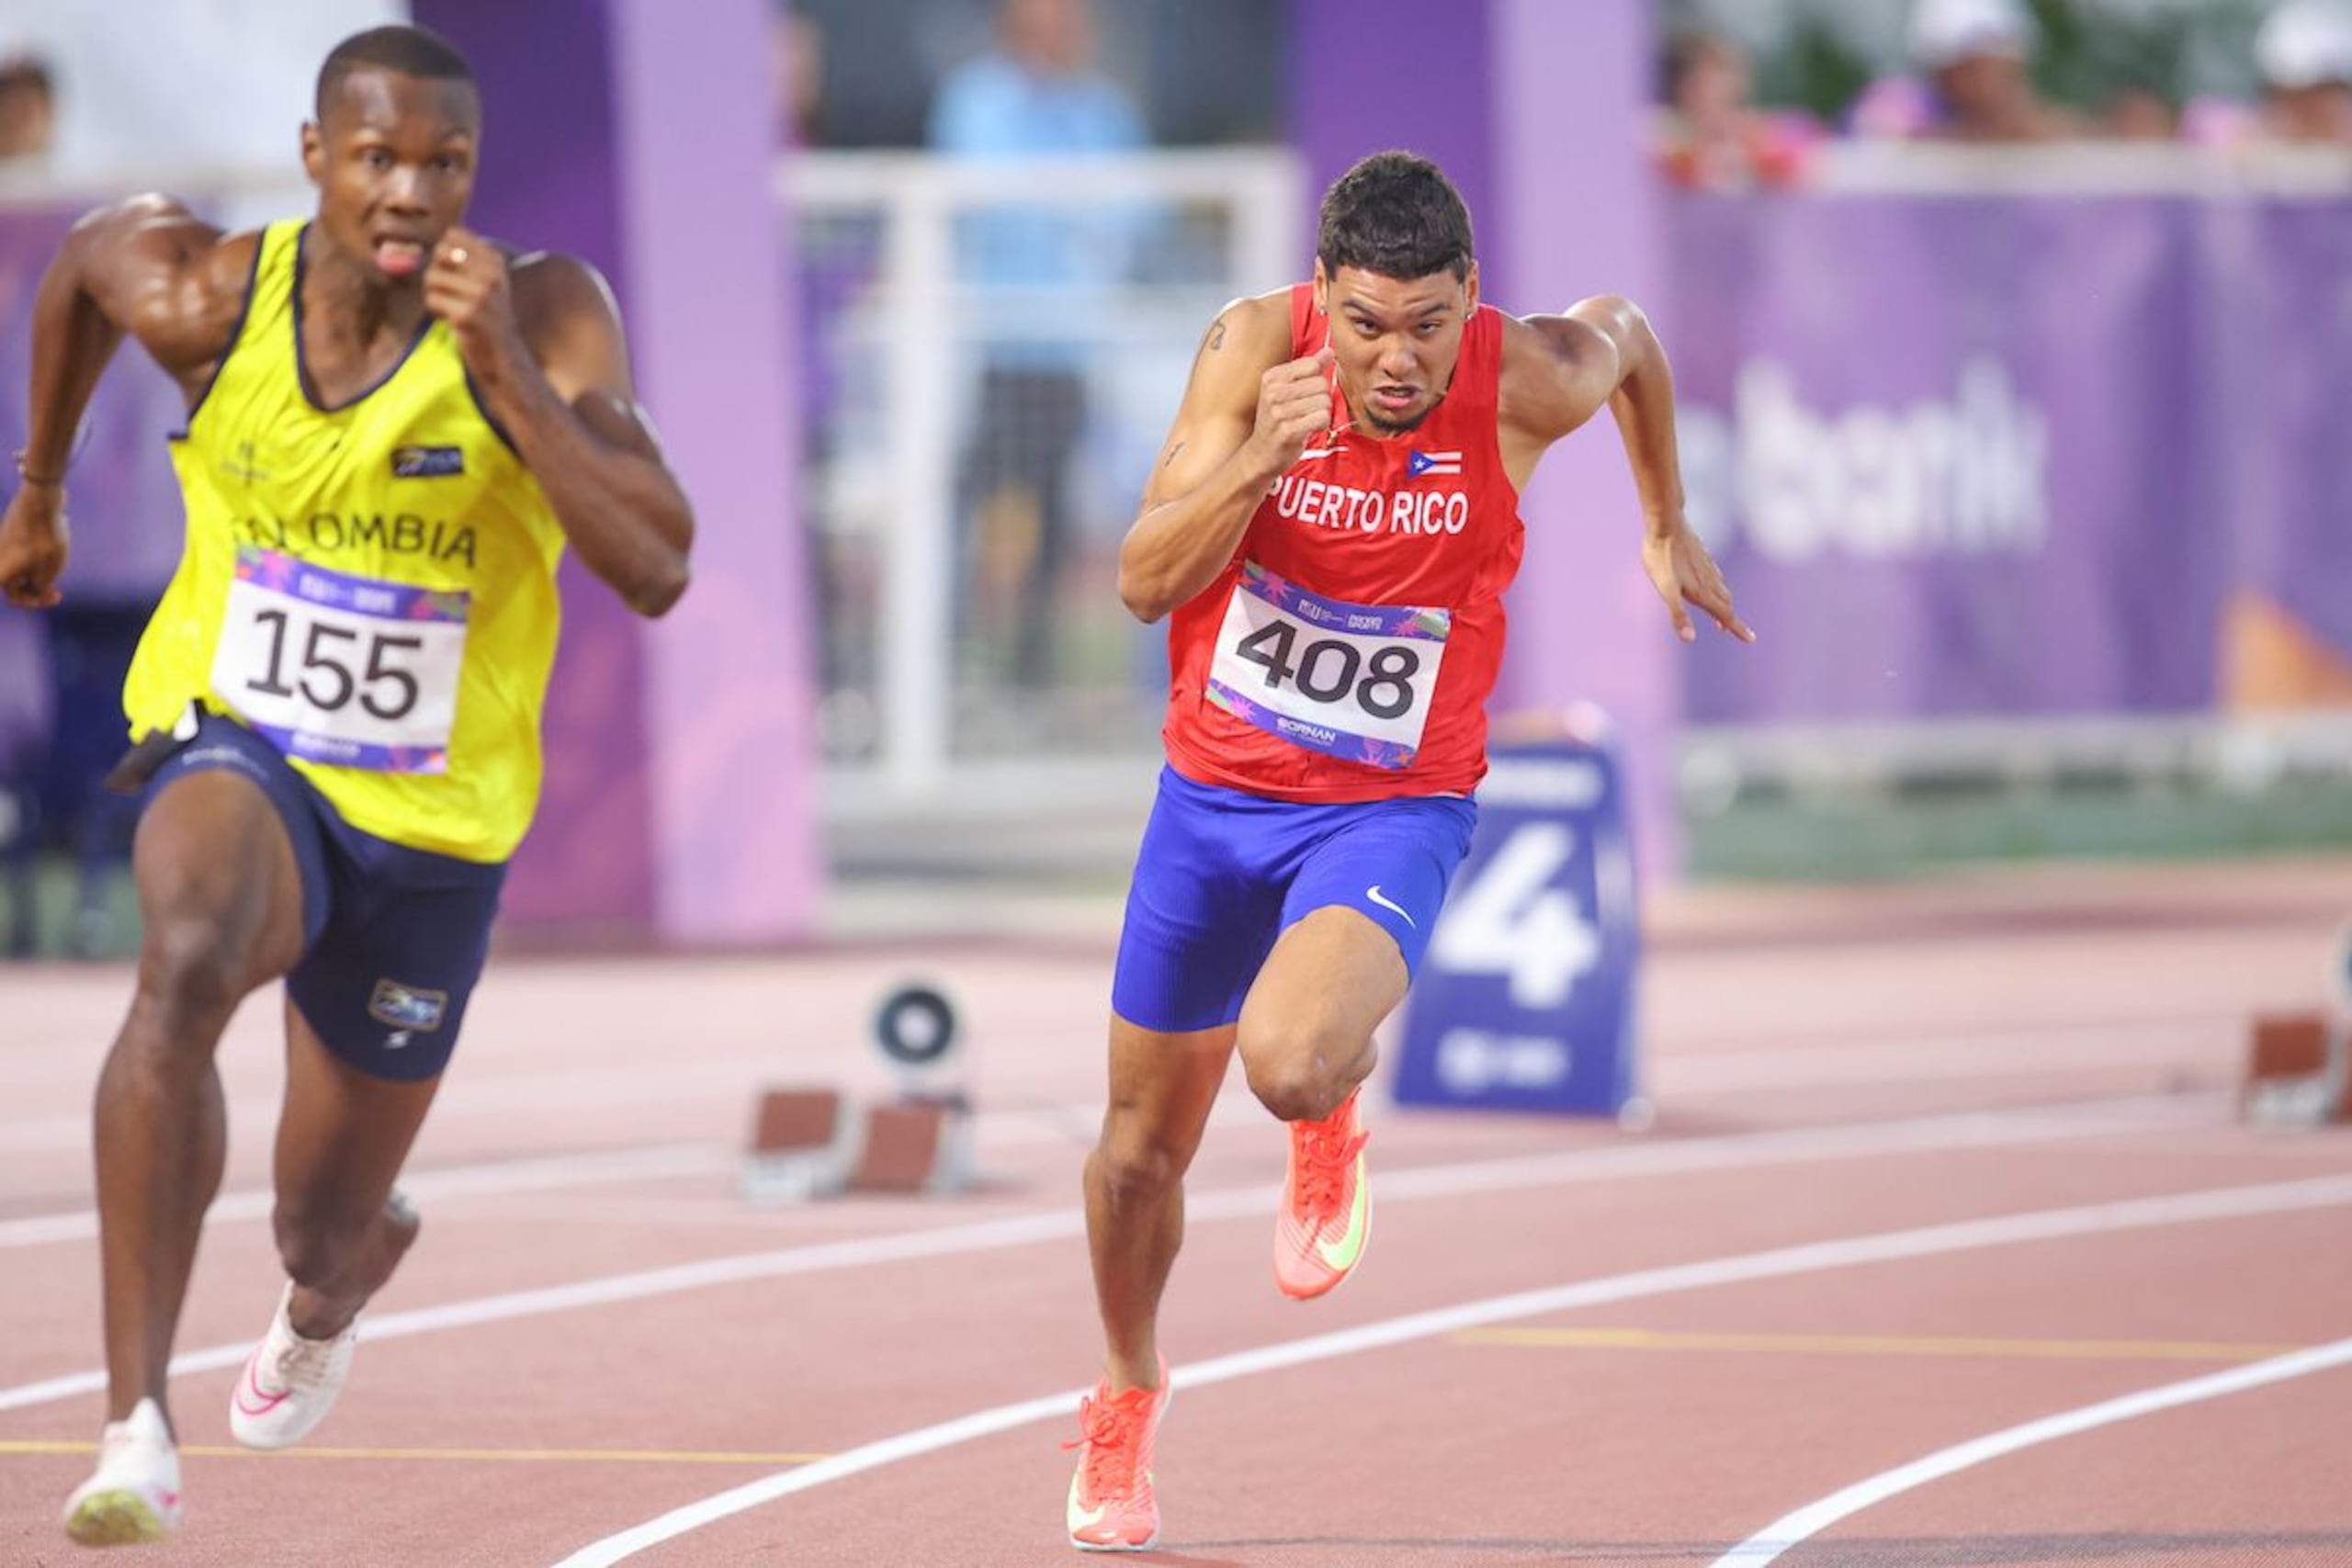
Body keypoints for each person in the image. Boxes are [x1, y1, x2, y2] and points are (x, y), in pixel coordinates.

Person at [0, 23, 693, 1548]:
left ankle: (339, 1274)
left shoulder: (548, 311)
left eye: (444, 164)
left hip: (434, 827)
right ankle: (136, 1424)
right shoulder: (213, 294)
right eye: (378, 158)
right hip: (244, 736)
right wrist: (38, 492)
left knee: (317, 1222)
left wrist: (506, 371)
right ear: (318, 158)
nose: (411, 193)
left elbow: (655, 561)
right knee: (180, 961)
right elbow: (84, 271)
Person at [1061, 151, 1752, 1551]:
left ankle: (1330, 1113)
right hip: (1212, 800)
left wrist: (1663, 515)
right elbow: (1142, 580)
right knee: (1138, 1154)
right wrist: (1264, 452)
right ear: (1325, 294)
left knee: (1291, 1055)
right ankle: (1126, 1387)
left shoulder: (1526, 375)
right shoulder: (1252, 350)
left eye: (1427, 324)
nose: (1395, 358)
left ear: (1469, 300)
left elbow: (1632, 337)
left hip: (1389, 803)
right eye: (1368, 322)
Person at [928, 0, 1146, 700]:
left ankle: (1028, 678)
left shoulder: (1102, 111)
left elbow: (1138, 213)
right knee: (964, 507)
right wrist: (1073, 215)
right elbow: (987, 203)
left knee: (1053, 518)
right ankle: (947, 663)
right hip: (987, 347)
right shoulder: (977, 100)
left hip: (1067, 350)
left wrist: (1070, 218)